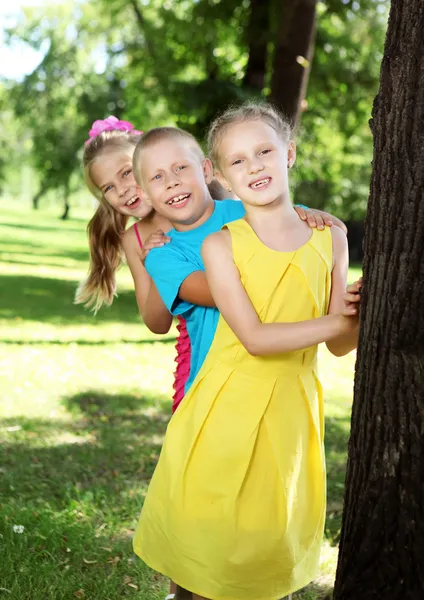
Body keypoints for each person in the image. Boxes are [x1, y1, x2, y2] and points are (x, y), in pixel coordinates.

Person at [133, 103, 360, 600]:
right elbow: (255, 337)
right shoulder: (215, 246)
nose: (255, 165)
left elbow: (341, 345)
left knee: (268, 530)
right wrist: (336, 320)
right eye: (239, 160)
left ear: (289, 153)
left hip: (292, 408)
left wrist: (361, 314)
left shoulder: (332, 235)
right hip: (225, 398)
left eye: (264, 152)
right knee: (208, 530)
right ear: (223, 174)